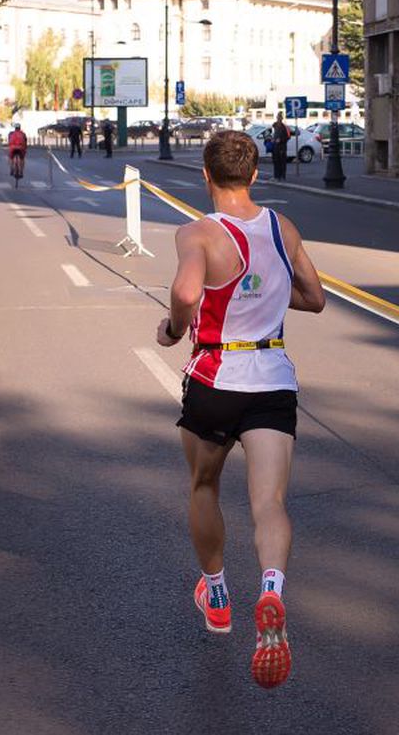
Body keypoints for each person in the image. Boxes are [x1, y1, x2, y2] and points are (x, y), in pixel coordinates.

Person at [155, 130, 326, 690]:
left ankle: (220, 592)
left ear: (206, 176)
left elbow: (185, 295)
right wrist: (269, 295)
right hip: (273, 377)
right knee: (269, 502)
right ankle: (272, 589)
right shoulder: (283, 227)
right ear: (253, 175)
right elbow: (315, 297)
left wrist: (171, 329)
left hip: (217, 376)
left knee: (204, 485)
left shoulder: (198, 233)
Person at [271, 112, 290, 181]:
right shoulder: (275, 126)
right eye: (277, 117)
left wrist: (281, 140)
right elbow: (273, 134)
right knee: (276, 162)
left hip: (282, 147)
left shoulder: (284, 127)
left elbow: (288, 137)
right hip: (275, 147)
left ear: (281, 119)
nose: (278, 119)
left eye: (279, 118)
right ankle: (276, 176)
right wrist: (272, 139)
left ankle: (282, 176)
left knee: (282, 162)